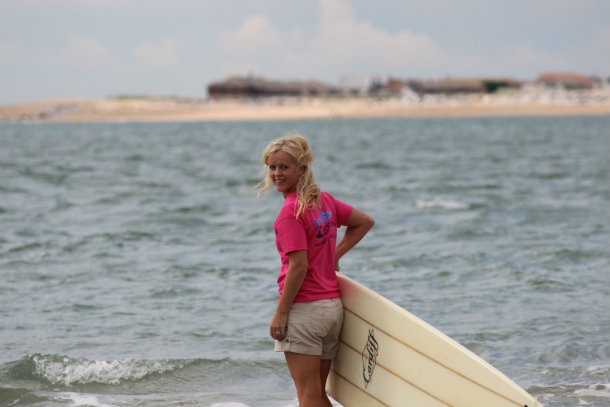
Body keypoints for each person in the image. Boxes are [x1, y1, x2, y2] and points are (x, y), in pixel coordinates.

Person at [253, 134, 374, 407]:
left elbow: (298, 266)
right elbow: (364, 222)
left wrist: (281, 312)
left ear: (302, 169)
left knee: (308, 397)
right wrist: (334, 255)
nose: (276, 173)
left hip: (305, 311)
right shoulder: (325, 202)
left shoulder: (290, 212)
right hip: (331, 309)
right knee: (317, 395)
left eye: (284, 167)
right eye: (272, 167)